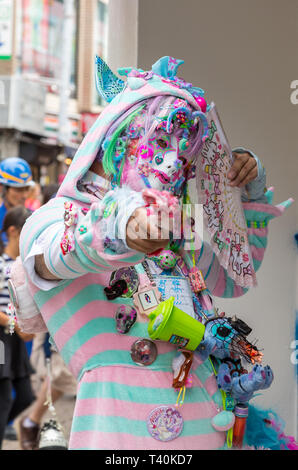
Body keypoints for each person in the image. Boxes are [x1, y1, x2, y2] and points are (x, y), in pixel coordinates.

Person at [17, 56, 294, 450]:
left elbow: (234, 277)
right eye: (161, 142)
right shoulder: (57, 217)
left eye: (184, 155)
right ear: (116, 136)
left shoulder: (177, 229)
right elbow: (54, 258)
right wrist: (122, 226)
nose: (171, 164)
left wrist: (245, 196)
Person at [0, 206, 34, 449]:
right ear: (13, 231)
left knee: (25, 396)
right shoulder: (2, 264)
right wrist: (13, 323)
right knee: (2, 399)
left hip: (15, 338)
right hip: (2, 338)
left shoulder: (25, 264)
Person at [0, 157, 35, 245]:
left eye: (26, 189)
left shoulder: (34, 218)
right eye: (18, 189)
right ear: (3, 189)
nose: (24, 195)